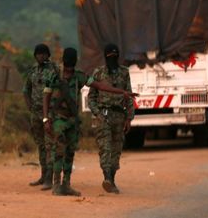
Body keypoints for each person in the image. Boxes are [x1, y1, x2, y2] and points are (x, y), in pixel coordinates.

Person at [43, 47, 137, 196]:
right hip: (58, 119)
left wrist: (122, 92)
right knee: (59, 151)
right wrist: (46, 118)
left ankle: (66, 184)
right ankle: (56, 185)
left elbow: (99, 86)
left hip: (73, 120)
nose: (70, 64)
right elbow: (46, 96)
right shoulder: (54, 75)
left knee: (70, 152)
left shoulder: (80, 76)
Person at [87, 43, 135, 194]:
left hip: (119, 117)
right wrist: (97, 113)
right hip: (104, 116)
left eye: (114, 56)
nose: (112, 59)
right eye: (110, 56)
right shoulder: (99, 73)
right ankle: (107, 177)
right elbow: (92, 97)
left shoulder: (124, 72)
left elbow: (129, 96)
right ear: (105, 56)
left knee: (116, 150)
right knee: (105, 148)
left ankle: (112, 179)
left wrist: (129, 118)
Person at [23, 44, 59, 189]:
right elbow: (26, 90)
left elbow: (60, 87)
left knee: (50, 145)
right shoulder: (32, 71)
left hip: (49, 112)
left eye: (44, 54)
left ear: (48, 55)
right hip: (36, 113)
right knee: (41, 145)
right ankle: (43, 175)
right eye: (38, 54)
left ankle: (50, 179)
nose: (41, 56)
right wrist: (29, 105)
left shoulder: (54, 69)